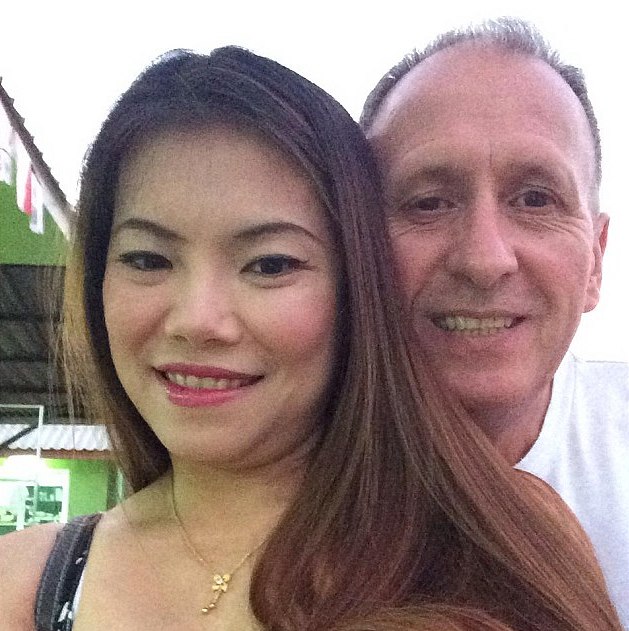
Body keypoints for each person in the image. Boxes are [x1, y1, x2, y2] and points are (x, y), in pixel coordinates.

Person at [0, 46, 622, 631]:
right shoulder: (27, 584)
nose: (197, 320)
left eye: (270, 264)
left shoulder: (505, 543)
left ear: (358, 286)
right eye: (147, 259)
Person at [361, 16, 629, 629]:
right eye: (429, 202)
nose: (484, 260)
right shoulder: (261, 490)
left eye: (536, 199)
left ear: (596, 261)